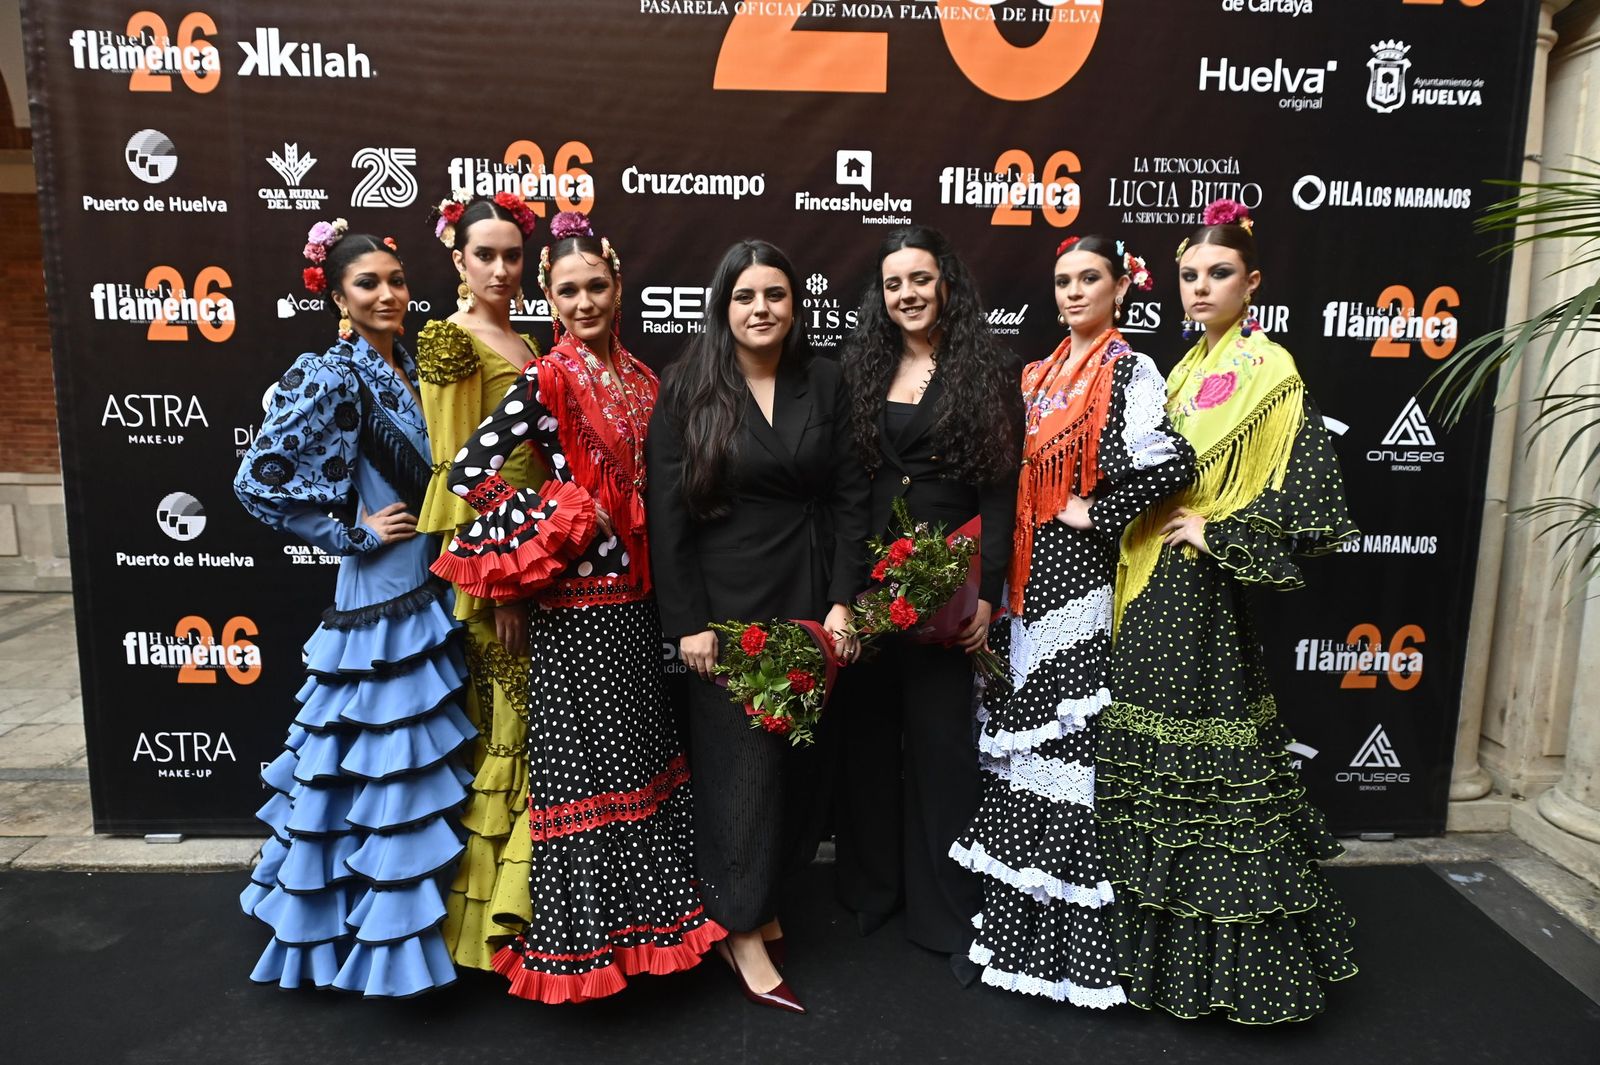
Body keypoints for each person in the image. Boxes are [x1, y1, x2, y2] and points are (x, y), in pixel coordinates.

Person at [431, 211, 722, 1003]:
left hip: (635, 606)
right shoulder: (545, 377)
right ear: (549, 299)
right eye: (568, 290)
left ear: (618, 286)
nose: (585, 301)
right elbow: (469, 473)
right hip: (572, 609)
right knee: (582, 778)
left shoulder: (642, 379)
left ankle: (653, 937)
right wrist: (547, 518)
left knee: (640, 765)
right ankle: (586, 951)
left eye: (596, 285)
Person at [1100, 200, 1359, 1023]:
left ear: (1253, 283)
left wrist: (1222, 530)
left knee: (1210, 779)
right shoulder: (1178, 368)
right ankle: (1151, 967)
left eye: (1219, 274)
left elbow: (1311, 498)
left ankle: (1235, 974)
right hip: (1147, 588)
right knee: (1149, 765)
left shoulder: (1269, 370)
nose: (1201, 287)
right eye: (1188, 275)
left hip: (1203, 599)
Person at [947, 234, 1194, 1005]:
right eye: (1063, 280)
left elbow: (1170, 461)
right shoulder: (1041, 371)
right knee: (1027, 767)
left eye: (1090, 278)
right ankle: (1022, 943)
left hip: (1080, 593)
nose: (1074, 291)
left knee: (1069, 769)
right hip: (1027, 589)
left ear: (1120, 287)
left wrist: (1101, 512)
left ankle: (1071, 957)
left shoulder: (1129, 369)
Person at [235, 221, 472, 997]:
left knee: (406, 757)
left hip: (433, 581)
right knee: (379, 756)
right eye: (368, 283)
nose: (388, 294)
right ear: (337, 295)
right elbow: (259, 479)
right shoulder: (330, 372)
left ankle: (420, 925)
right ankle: (370, 944)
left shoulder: (412, 361)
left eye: (396, 280)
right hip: (381, 594)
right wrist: (348, 533)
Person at [647, 239, 870, 1014]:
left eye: (774, 294)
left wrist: (844, 600)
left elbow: (850, 498)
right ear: (723, 306)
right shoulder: (687, 387)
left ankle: (763, 897)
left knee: (800, 765)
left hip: (809, 598)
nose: (761, 308)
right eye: (745, 296)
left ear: (795, 306)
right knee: (740, 772)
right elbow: (665, 519)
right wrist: (688, 624)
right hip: (726, 606)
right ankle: (739, 928)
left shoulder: (827, 381)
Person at [832, 225, 1022, 985]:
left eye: (920, 279)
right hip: (874, 584)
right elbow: (849, 488)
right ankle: (872, 892)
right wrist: (846, 591)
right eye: (893, 284)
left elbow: (1001, 488)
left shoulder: (988, 367)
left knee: (943, 754)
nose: (907, 294)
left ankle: (947, 917)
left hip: (950, 589)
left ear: (946, 284)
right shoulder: (858, 369)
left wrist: (991, 590)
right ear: (880, 295)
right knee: (869, 744)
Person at [415, 192, 545, 971]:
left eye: (511, 255)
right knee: (507, 733)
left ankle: (525, 912)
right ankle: (490, 931)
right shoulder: (451, 342)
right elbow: (460, 475)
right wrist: (498, 587)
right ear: (457, 260)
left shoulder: (524, 338)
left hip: (540, 560)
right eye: (485, 255)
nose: (500, 268)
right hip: (495, 576)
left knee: (533, 735)